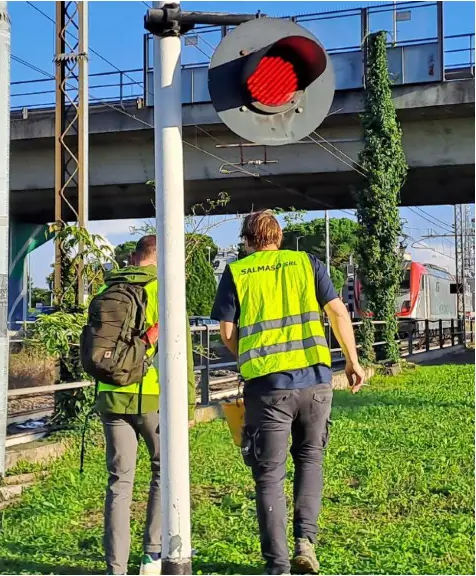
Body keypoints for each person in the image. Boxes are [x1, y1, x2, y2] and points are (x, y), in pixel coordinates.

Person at [210, 211, 365, 575]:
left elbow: (227, 333)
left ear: (247, 240)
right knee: (310, 461)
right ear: (279, 237)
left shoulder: (238, 271)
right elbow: (338, 313)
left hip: (267, 389)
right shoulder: (307, 263)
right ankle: (305, 543)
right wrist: (352, 361)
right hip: (315, 383)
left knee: (269, 475)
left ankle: (277, 566)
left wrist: (250, 358)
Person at [95, 235, 196, 575]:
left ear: (135, 256)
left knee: (119, 483)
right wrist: (189, 406)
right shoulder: (164, 291)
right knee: (162, 471)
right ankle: (152, 556)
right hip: (151, 395)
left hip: (110, 393)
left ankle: (115, 568)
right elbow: (183, 356)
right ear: (163, 258)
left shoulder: (107, 289)